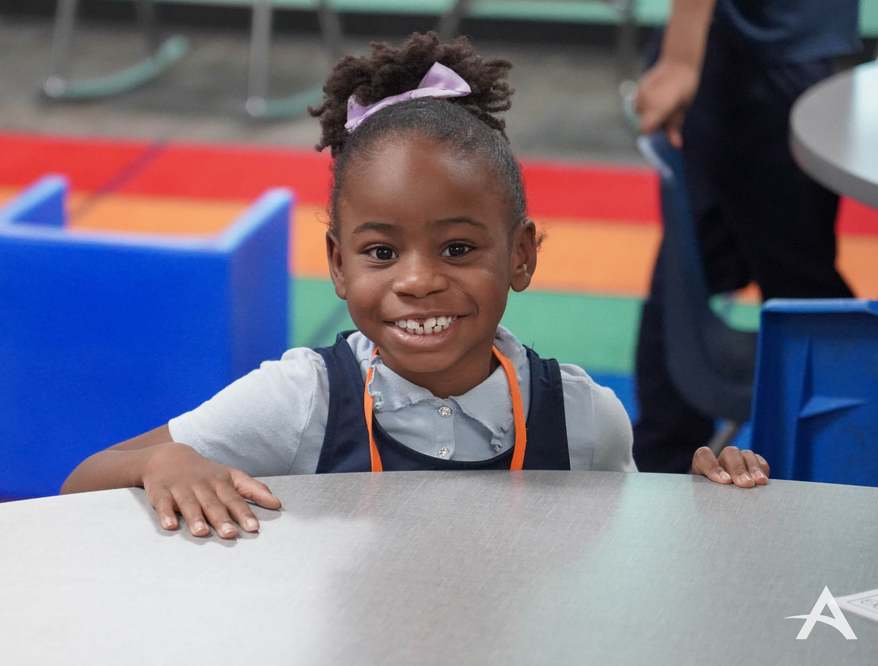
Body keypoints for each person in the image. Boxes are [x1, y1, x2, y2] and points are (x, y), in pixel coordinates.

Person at [62, 32, 770, 539]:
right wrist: (163, 460)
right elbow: (78, 484)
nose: (420, 280)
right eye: (380, 250)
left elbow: (625, 556)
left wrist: (706, 504)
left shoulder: (586, 421)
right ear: (339, 264)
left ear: (521, 255)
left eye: (458, 247)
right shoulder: (302, 399)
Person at [632, 0, 860, 473]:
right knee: (806, 294)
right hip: (754, 56)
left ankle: (663, 454)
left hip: (779, 47)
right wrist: (681, 57)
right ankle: (663, 457)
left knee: (709, 273)